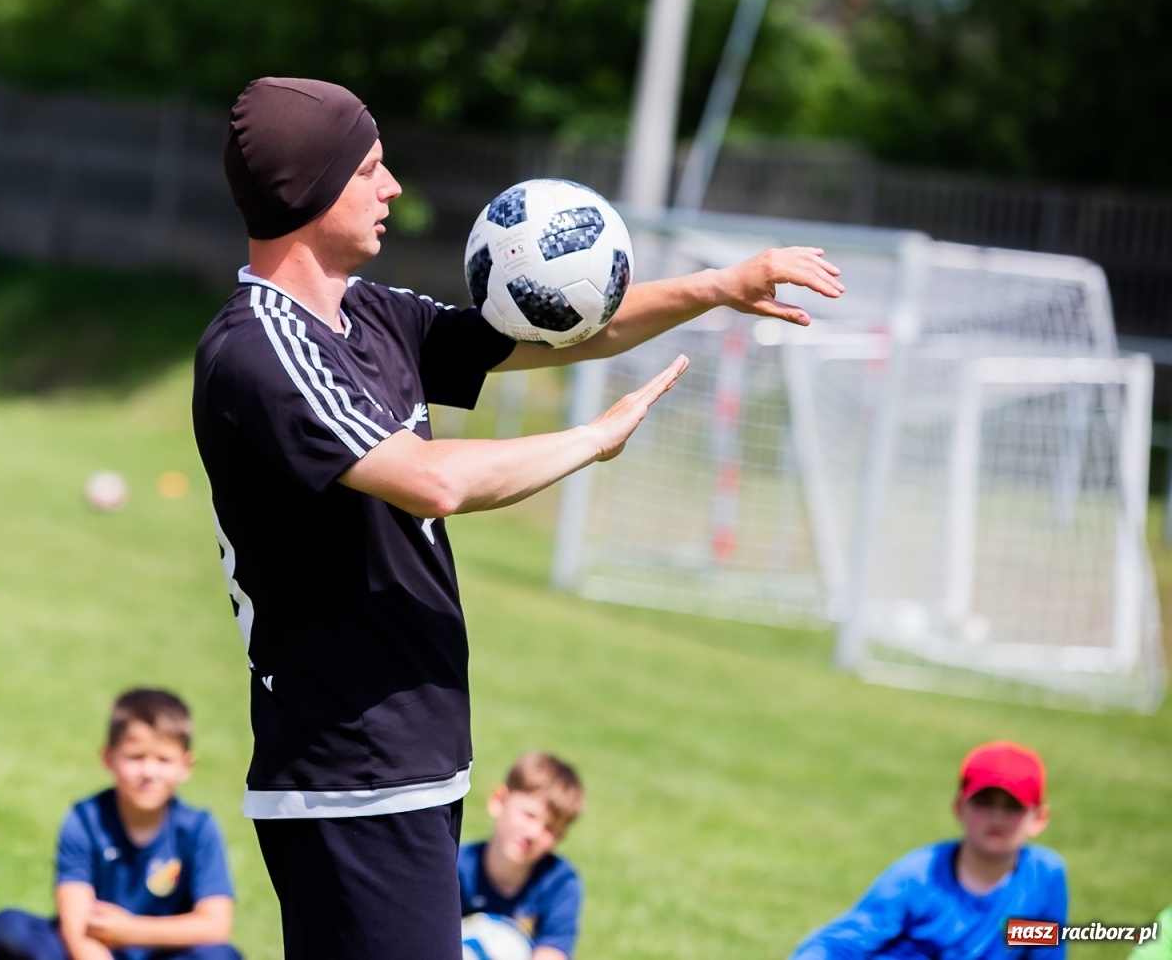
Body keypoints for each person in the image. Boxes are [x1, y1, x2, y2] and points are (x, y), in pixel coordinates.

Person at [193, 76, 843, 960]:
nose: (392, 190)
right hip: (352, 767)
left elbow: (558, 331)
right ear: (309, 190)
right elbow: (430, 481)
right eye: (371, 170)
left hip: (409, 757)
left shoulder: (368, 315)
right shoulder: (261, 347)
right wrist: (593, 440)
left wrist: (718, 286)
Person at [0, 689, 239, 960]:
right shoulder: (84, 820)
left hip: (164, 953)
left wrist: (130, 931)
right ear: (109, 758)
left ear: (186, 765)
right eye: (136, 757)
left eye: (163, 759)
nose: (149, 772)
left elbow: (215, 925)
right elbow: (76, 926)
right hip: (91, 952)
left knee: (220, 955)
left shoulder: (199, 829)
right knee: (8, 927)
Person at [789, 740, 1068, 959]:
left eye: (1012, 806)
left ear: (1039, 818)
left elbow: (1044, 952)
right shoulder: (918, 876)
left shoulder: (1044, 877)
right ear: (959, 808)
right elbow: (843, 944)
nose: (997, 817)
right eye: (984, 802)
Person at [458, 753, 585, 960]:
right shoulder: (454, 869)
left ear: (560, 836)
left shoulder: (560, 884)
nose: (533, 833)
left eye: (550, 828)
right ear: (499, 801)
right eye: (529, 815)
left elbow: (552, 954)